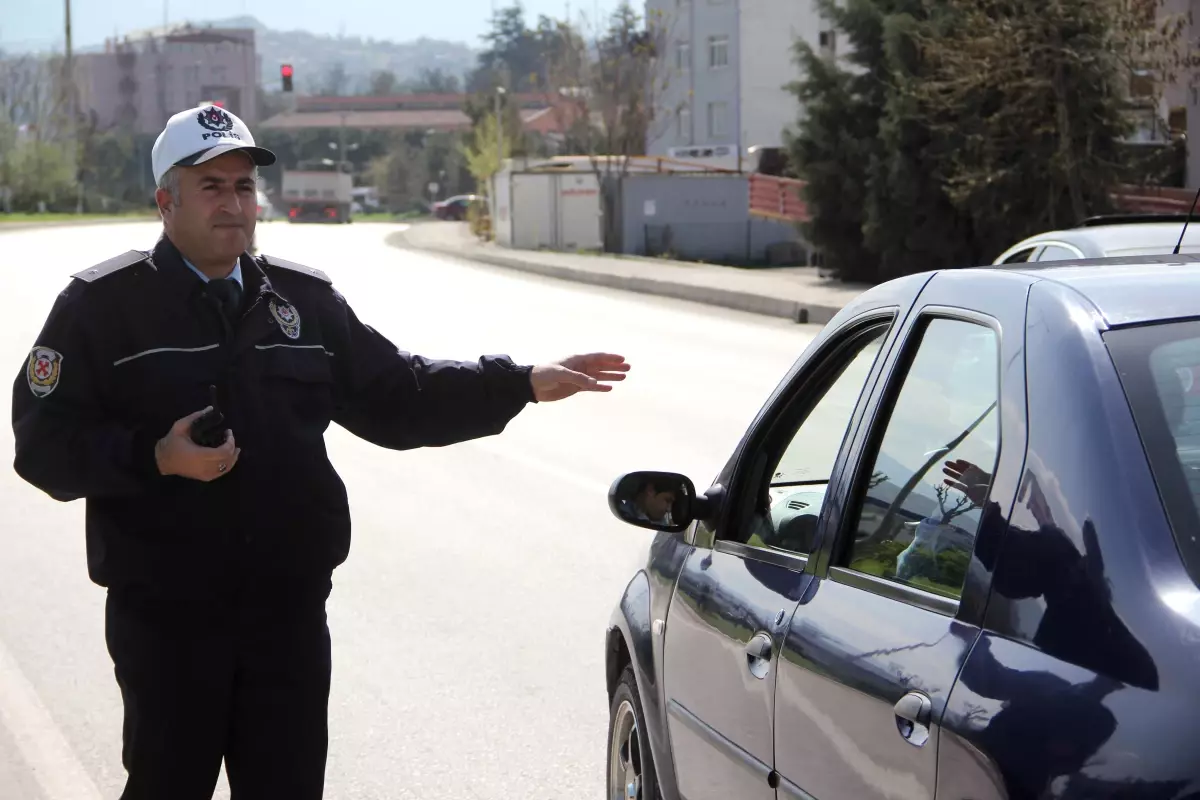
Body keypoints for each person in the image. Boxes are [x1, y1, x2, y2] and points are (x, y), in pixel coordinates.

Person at [10, 104, 630, 800]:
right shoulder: (101, 308)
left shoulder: (302, 302)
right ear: (165, 202)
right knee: (166, 785)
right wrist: (156, 455)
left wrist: (519, 383)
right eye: (211, 187)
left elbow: (401, 395)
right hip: (169, 622)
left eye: (244, 187)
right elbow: (44, 445)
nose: (234, 204)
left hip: (286, 618)